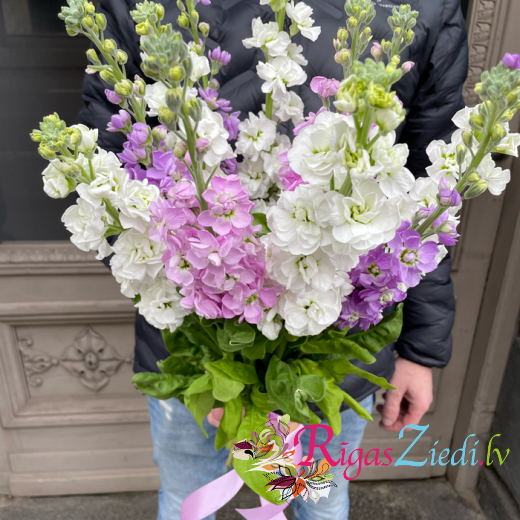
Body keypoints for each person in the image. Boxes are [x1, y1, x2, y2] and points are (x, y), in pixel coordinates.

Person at [79, 0, 467, 518]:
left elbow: (426, 204)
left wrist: (421, 350)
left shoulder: (422, 9)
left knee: (319, 502)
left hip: (331, 352)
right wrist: (215, 362)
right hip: (194, 342)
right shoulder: (143, 10)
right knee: (188, 500)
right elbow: (113, 191)